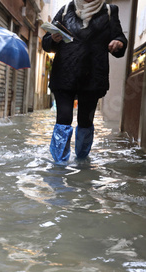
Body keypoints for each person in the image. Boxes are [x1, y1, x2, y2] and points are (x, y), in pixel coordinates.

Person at [42, 0, 127, 164]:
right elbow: (47, 43)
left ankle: (82, 162)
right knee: (63, 118)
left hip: (93, 76)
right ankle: (59, 165)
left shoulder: (109, 11)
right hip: (64, 74)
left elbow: (119, 37)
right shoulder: (66, 9)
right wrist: (53, 38)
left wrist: (119, 43)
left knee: (85, 121)